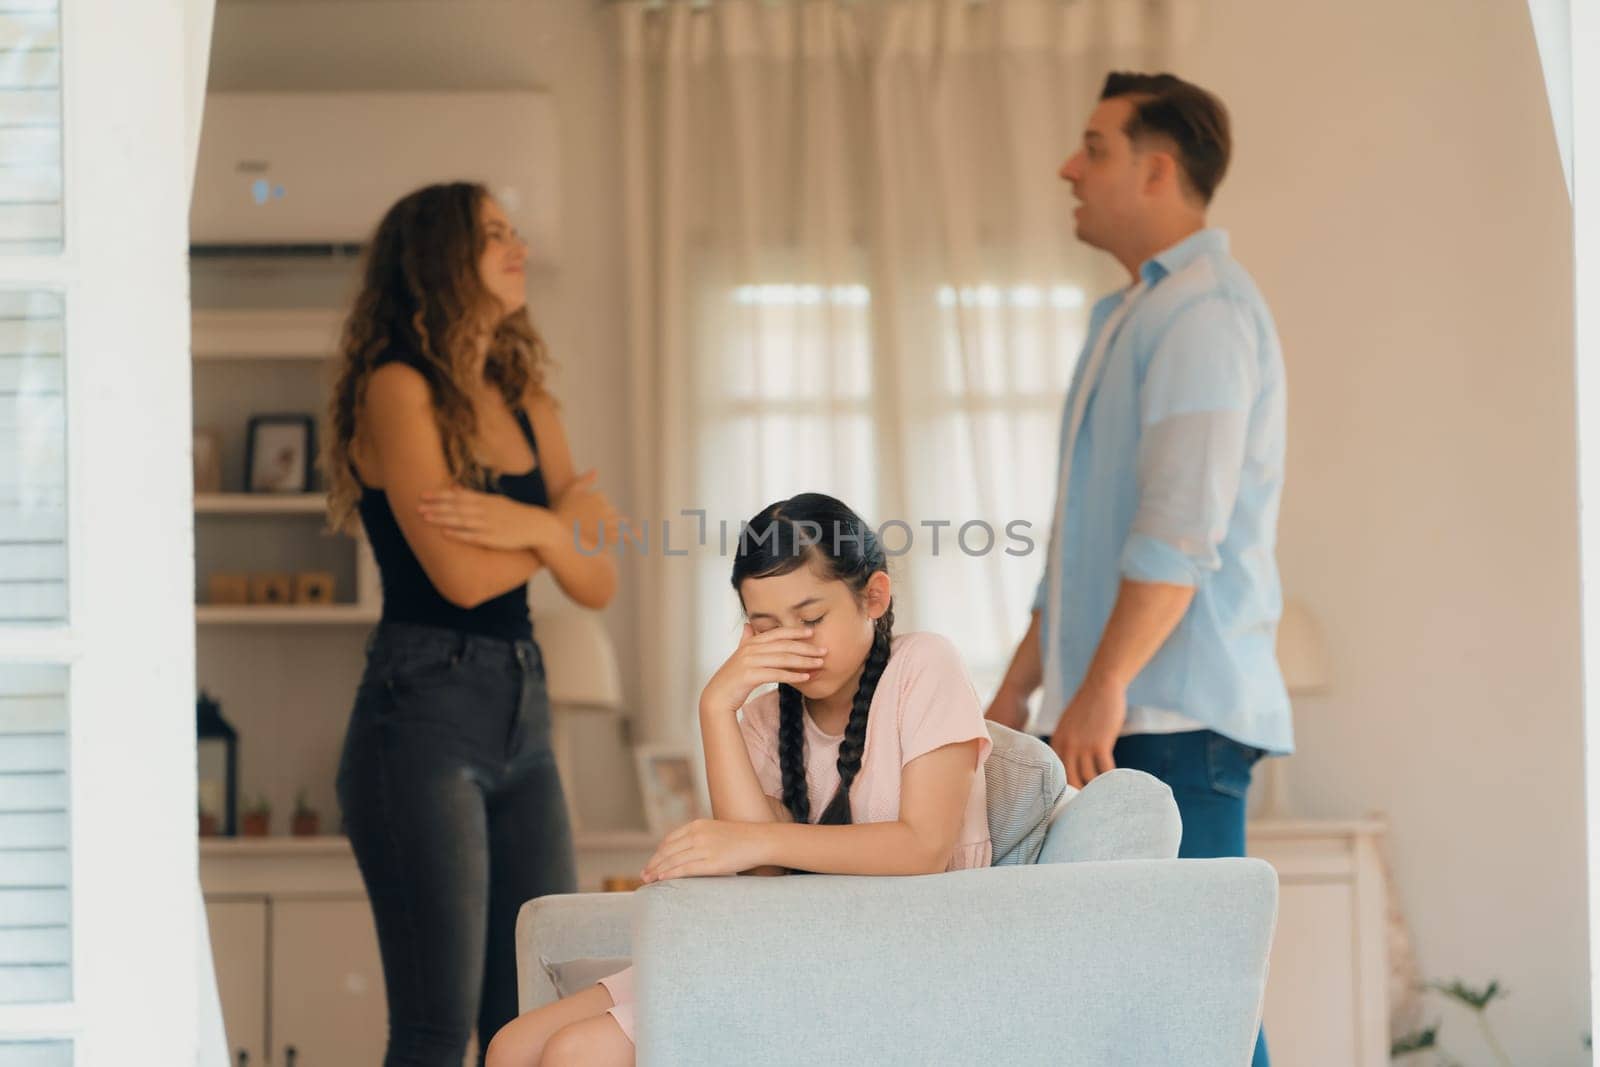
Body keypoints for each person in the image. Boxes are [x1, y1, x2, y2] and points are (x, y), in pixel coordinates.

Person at [984, 72, 1289, 1067]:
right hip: (1121, 720)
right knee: (1144, 1016)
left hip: (1172, 725)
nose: (1069, 168)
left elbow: (1177, 531)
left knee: (1195, 1009)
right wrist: (1023, 680)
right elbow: (1083, 537)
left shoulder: (1200, 314)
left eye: (1095, 148)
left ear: (1157, 170)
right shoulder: (1123, 317)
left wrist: (1101, 683)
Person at [484, 493, 993, 1067]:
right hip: (779, 939)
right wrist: (715, 705)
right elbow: (760, 874)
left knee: (579, 1052)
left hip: (893, 949)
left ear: (873, 596)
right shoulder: (763, 717)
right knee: (510, 1047)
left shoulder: (923, 666)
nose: (794, 643)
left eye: (812, 618)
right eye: (767, 627)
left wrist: (756, 839)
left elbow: (923, 846)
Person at [325, 181, 622, 1067]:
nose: (516, 243)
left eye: (512, 229)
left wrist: (534, 529)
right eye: (492, 233)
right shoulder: (397, 386)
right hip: (419, 709)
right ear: (440, 258)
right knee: (434, 1026)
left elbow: (601, 575)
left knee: (531, 1011)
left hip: (523, 711)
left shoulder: (524, 394)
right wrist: (559, 530)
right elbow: (456, 576)